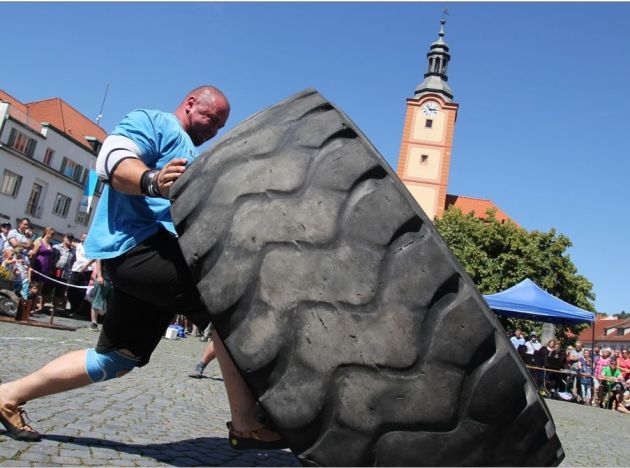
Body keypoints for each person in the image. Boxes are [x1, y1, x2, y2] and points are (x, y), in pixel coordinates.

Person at [0, 86, 284, 450]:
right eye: (210, 118)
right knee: (226, 306)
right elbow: (112, 160)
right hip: (139, 250)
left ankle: (8, 395)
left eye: (220, 126)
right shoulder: (154, 122)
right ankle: (246, 423)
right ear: (190, 103)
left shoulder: (193, 157)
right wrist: (151, 179)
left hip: (156, 259)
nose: (213, 129)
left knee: (117, 358)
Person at [29, 227, 56, 313]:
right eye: (52, 233)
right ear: (47, 232)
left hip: (45, 269)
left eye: (53, 234)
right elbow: (33, 254)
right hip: (38, 267)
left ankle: (34, 308)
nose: (52, 235)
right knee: (34, 288)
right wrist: (31, 267)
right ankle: (30, 306)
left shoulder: (50, 244)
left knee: (40, 289)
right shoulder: (39, 242)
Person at [67, 233, 94, 317]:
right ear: (80, 238)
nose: (84, 240)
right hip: (76, 270)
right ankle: (72, 307)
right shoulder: (78, 245)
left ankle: (75, 310)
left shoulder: (91, 247)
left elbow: (94, 257)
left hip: (86, 271)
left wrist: (86, 265)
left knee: (81, 292)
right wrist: (69, 237)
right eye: (82, 238)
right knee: (70, 289)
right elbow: (69, 241)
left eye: (85, 238)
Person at [51, 233, 76, 312]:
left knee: (59, 293)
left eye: (71, 238)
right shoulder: (56, 247)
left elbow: (72, 262)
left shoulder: (73, 251)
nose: (69, 240)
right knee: (48, 290)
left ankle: (54, 310)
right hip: (54, 272)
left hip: (65, 274)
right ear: (64, 238)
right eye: (68, 238)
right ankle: (41, 307)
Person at [88, 259, 112, 332]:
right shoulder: (104, 249)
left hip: (114, 280)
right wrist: (99, 276)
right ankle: (94, 323)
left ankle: (109, 324)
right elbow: (98, 260)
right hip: (104, 278)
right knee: (97, 301)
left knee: (112, 304)